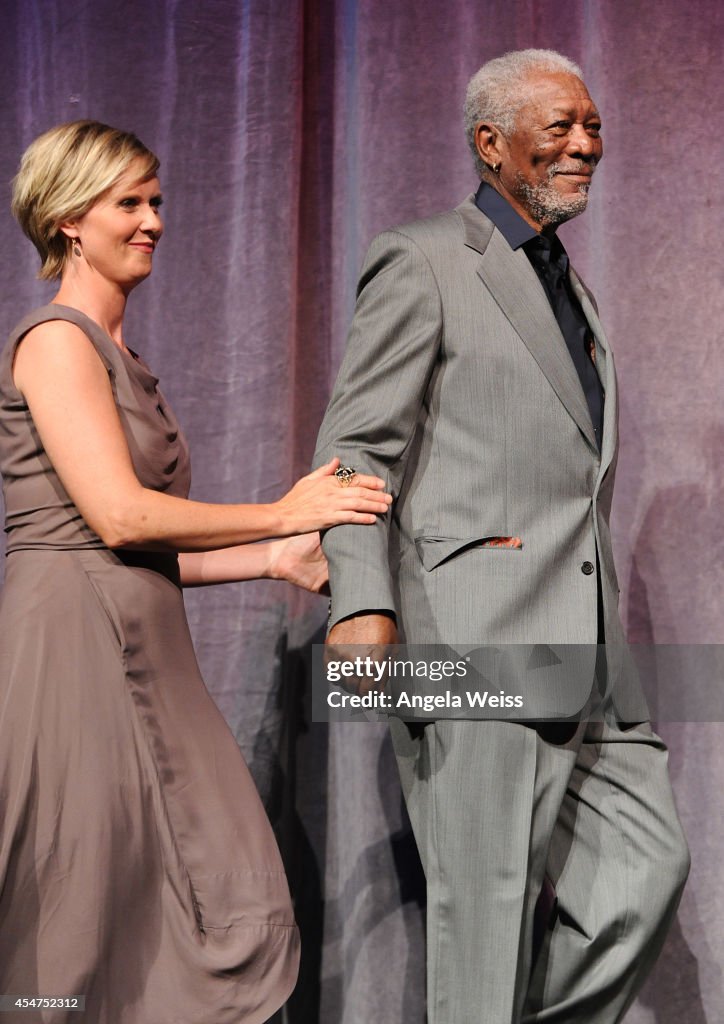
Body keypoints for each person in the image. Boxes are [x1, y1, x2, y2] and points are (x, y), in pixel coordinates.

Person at [314, 49, 689, 1023]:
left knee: (643, 875)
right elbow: (356, 445)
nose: (585, 144)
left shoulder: (569, 285)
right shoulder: (426, 257)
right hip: (469, 632)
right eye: (559, 125)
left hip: (587, 648)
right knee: (480, 925)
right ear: (490, 144)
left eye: (592, 125)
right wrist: (360, 601)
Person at [0, 120, 392, 1024]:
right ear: (68, 219)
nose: (153, 221)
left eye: (157, 201)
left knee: (202, 885)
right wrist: (282, 511)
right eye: (128, 203)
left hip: (145, 638)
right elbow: (118, 516)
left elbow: (133, 549)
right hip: (73, 649)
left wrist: (274, 558)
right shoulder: (55, 343)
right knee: (78, 909)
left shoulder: (125, 358)